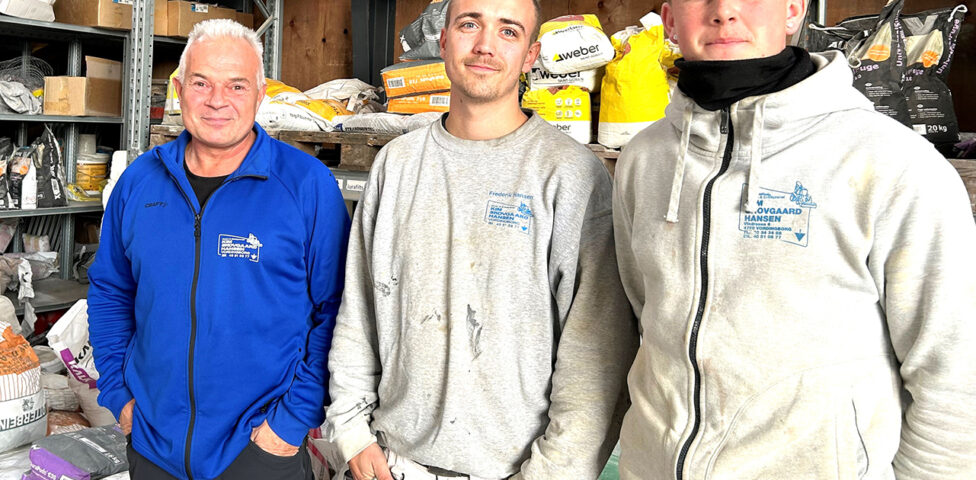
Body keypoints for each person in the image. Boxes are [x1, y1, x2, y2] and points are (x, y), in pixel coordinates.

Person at [612, 0, 976, 476]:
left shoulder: (892, 161)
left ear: (792, 11)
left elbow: (952, 370)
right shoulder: (643, 158)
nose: (723, 11)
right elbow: (644, 312)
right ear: (670, 21)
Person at [324, 0, 638, 479]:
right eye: (469, 24)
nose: (486, 45)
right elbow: (360, 308)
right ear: (443, 41)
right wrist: (351, 431)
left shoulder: (570, 175)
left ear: (530, 56)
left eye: (508, 31)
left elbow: (595, 352)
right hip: (391, 461)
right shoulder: (397, 164)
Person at [86, 19, 350, 480]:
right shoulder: (139, 182)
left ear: (260, 94)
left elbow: (337, 311)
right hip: (152, 445)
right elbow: (110, 290)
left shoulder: (306, 185)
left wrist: (290, 423)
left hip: (259, 451)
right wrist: (119, 396)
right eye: (202, 83)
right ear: (179, 89)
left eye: (236, 85)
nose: (217, 100)